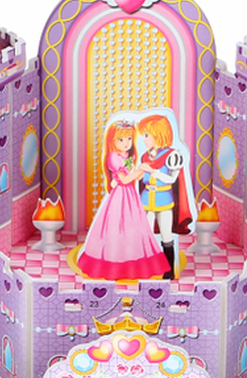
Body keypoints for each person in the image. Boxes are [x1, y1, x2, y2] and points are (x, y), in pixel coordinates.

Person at [76, 121, 169, 280]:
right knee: (117, 226)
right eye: (121, 140)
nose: (126, 143)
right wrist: (141, 169)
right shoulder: (113, 157)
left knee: (134, 226)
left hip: (131, 194)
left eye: (129, 139)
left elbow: (134, 178)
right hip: (120, 195)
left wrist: (144, 170)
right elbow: (125, 180)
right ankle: (115, 263)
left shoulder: (129, 156)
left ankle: (134, 261)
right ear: (112, 140)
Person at [137, 113, 192, 280]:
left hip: (164, 200)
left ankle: (169, 270)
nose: (144, 139)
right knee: (145, 235)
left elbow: (172, 179)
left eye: (147, 135)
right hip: (146, 198)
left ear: (158, 134)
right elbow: (141, 179)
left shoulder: (173, 155)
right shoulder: (145, 156)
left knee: (166, 236)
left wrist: (152, 171)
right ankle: (146, 267)